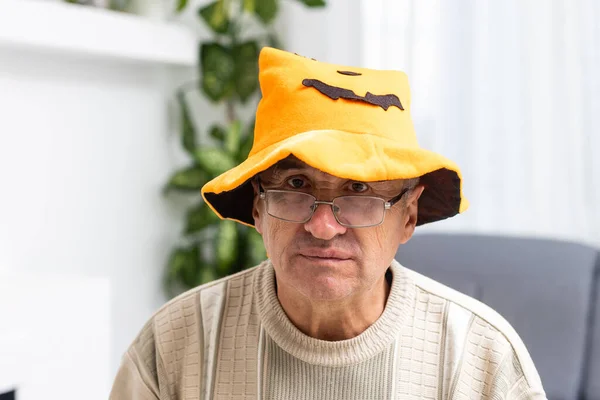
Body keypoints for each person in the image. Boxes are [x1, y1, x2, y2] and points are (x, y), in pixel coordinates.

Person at [109, 47, 546, 399]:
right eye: (296, 183)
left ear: (408, 216)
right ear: (257, 209)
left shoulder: (479, 357)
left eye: (358, 190)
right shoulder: (177, 344)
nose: (322, 225)